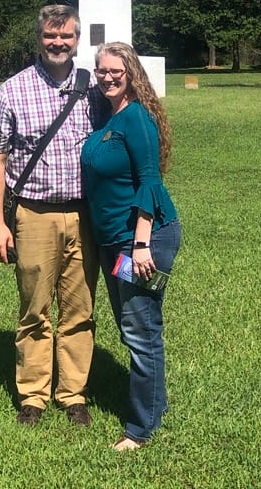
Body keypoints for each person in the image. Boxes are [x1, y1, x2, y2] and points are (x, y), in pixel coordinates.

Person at [0, 5, 103, 427]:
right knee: (34, 309)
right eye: (51, 37)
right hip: (33, 215)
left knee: (79, 309)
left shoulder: (94, 88)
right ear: (39, 39)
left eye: (66, 36)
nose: (58, 43)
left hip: (86, 215)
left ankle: (73, 393)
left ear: (76, 39)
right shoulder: (12, 91)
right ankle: (32, 395)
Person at [80, 41, 181, 451]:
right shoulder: (110, 117)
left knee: (141, 332)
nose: (107, 77)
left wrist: (141, 246)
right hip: (114, 241)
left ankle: (140, 429)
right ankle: (155, 405)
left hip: (142, 238)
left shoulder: (136, 117)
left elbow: (149, 182)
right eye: (101, 70)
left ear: (131, 73)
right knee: (132, 328)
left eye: (115, 71)